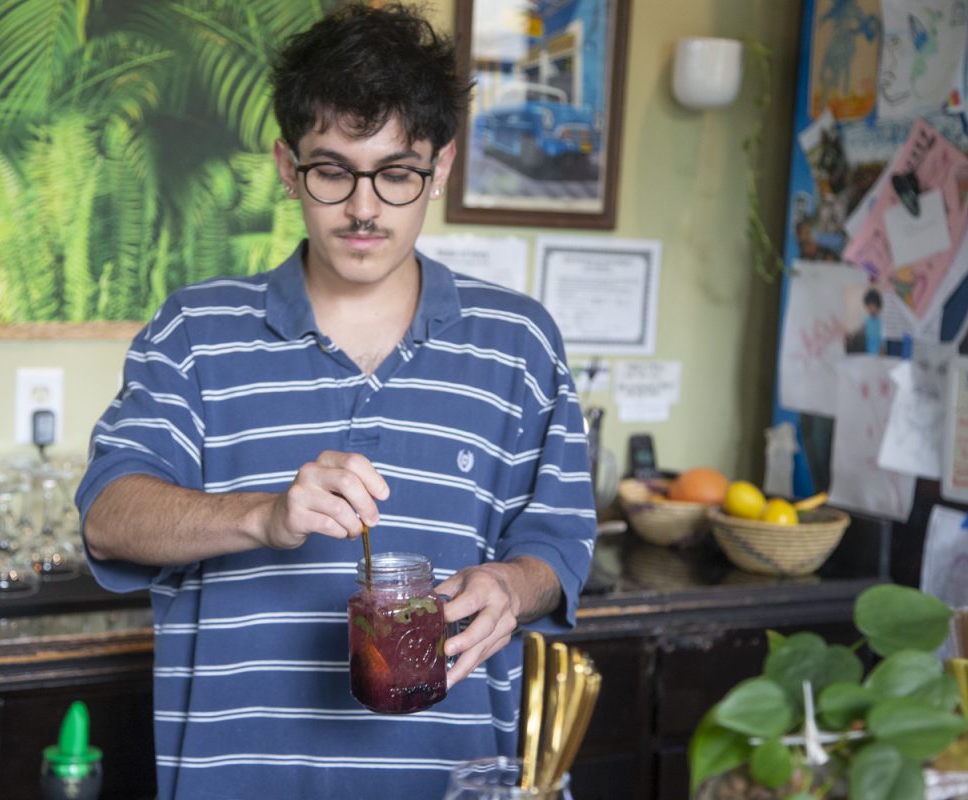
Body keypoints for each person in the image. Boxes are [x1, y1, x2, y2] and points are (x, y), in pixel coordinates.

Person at [74, 4, 596, 798]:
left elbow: (560, 546)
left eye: (396, 173)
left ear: (442, 165)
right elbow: (109, 520)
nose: (363, 207)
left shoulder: (519, 343)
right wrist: (263, 517)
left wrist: (515, 586)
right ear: (289, 167)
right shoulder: (194, 331)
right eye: (332, 170)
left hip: (451, 781)